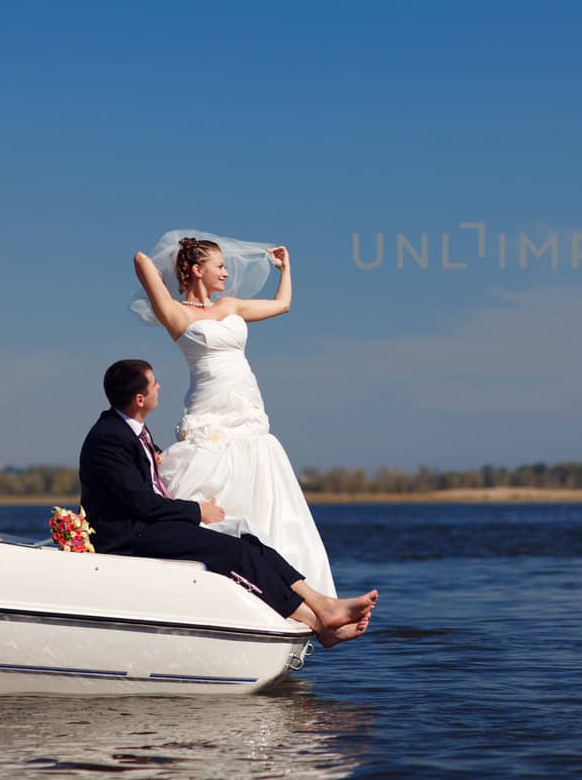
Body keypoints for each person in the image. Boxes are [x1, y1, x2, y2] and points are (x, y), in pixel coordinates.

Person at [79, 358, 376, 647]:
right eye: (154, 383)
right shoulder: (109, 438)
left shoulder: (130, 430)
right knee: (233, 554)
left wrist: (157, 456)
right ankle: (317, 621)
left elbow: (140, 471)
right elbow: (142, 503)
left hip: (151, 525)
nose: (160, 386)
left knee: (249, 540)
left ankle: (322, 605)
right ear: (140, 398)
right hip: (131, 535)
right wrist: (198, 511)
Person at [131, 231, 339, 596]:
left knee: (258, 478)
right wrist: (173, 253)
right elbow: (141, 260)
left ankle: (280, 583)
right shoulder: (176, 313)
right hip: (208, 410)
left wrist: (284, 268)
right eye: (220, 265)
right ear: (197, 270)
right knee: (208, 480)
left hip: (248, 409)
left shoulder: (231, 306)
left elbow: (283, 304)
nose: (227, 272)